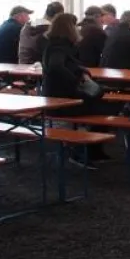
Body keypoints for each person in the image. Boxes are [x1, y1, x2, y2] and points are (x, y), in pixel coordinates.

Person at [41, 13, 114, 165]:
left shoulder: (55, 45)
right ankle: (83, 150)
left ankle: (92, 149)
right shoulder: (59, 47)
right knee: (104, 108)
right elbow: (56, 66)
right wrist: (76, 80)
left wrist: (81, 70)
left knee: (102, 103)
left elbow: (64, 65)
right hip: (63, 100)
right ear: (69, 28)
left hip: (58, 97)